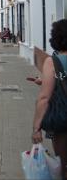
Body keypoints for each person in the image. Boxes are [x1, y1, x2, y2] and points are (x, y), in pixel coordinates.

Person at [32, 19, 67, 179]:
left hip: (63, 120)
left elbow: (45, 97)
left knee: (62, 162)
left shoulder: (52, 62)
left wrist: (36, 128)